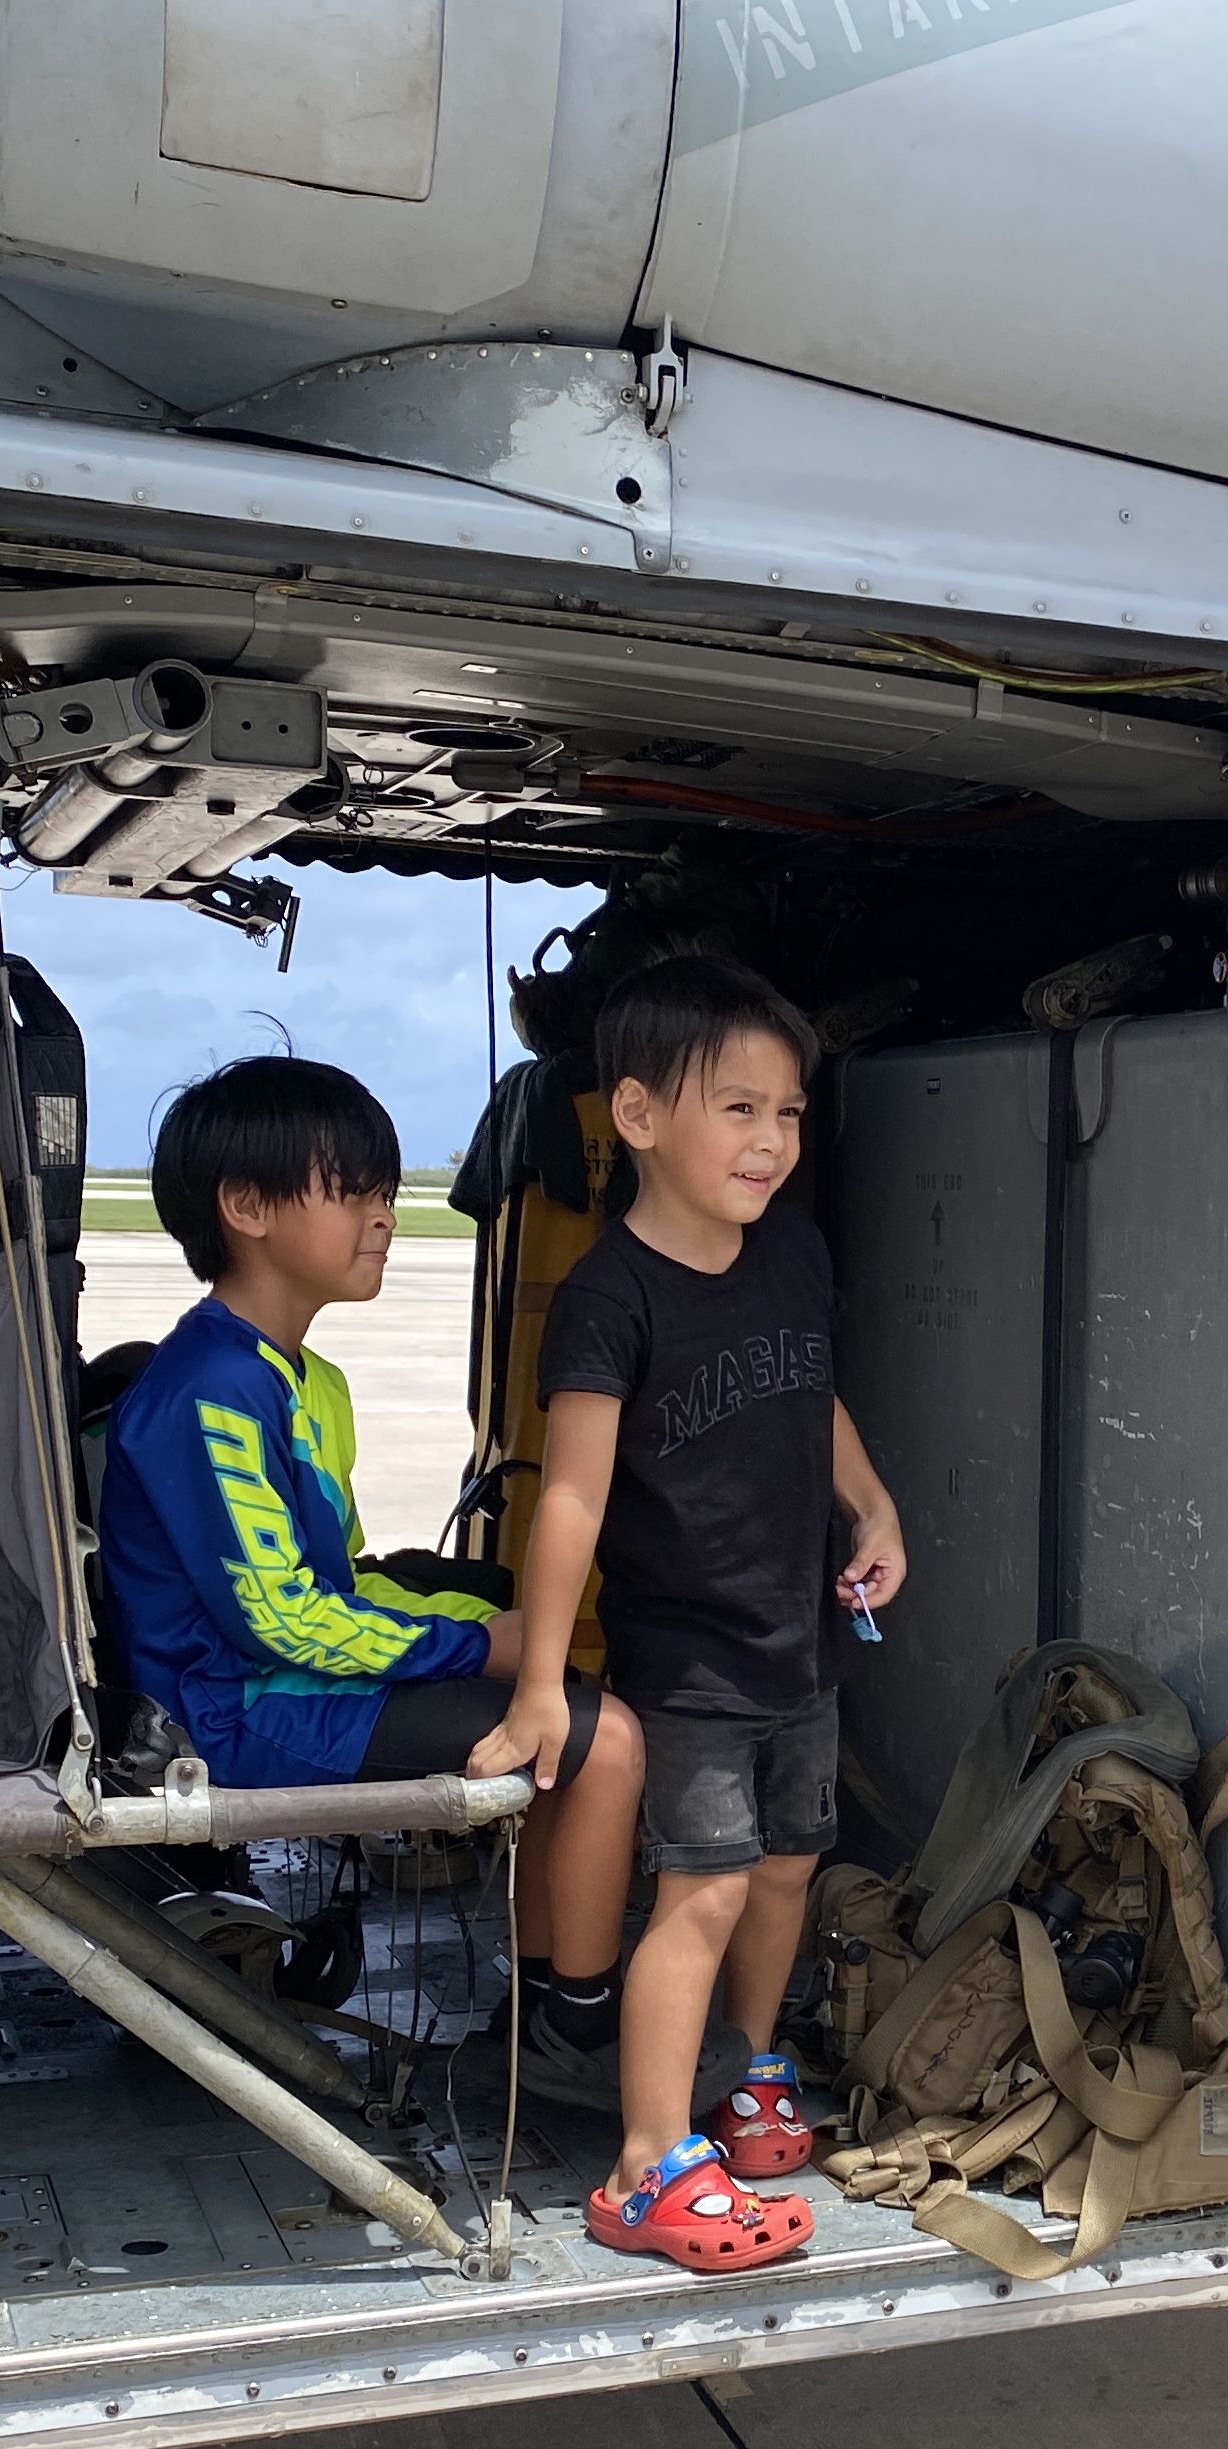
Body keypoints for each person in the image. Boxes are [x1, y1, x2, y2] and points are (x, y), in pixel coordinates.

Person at [473, 954, 906, 2275]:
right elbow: (571, 1504)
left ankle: (746, 2067)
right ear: (643, 1116)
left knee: (784, 1871)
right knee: (705, 1891)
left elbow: (811, 1396)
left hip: (802, 1642)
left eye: (787, 1113)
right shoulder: (613, 1295)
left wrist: (874, 1508)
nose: (771, 1141)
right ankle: (646, 2162)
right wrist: (544, 1683)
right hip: (692, 1660)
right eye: (738, 1108)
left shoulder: (794, 1256)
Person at [100, 1054, 643, 2033]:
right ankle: (578, 2023)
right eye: (353, 1193)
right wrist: (484, 1647)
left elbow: (346, 1584)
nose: (385, 1217)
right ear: (245, 1207)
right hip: (228, 1713)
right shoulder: (212, 1392)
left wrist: (488, 1627)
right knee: (602, 1741)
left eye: (387, 1193)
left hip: (287, 1685)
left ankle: (542, 2005)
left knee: (557, 1703)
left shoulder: (303, 1379)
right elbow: (283, 1620)